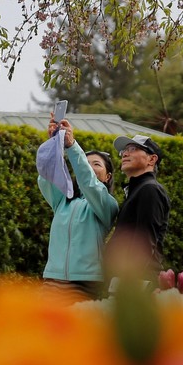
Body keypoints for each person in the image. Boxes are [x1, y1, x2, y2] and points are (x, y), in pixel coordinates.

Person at [38, 117, 119, 302]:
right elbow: (46, 177)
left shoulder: (107, 205)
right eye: (86, 163)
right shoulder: (62, 202)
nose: (89, 168)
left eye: (96, 164)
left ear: (107, 176)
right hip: (51, 281)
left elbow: (89, 183)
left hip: (84, 283)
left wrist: (72, 146)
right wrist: (54, 143)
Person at [110, 134, 170, 274]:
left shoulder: (150, 189)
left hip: (138, 282)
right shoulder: (138, 190)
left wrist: (128, 283)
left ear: (152, 159)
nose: (125, 153)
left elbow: (144, 243)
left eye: (133, 149)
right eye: (124, 151)